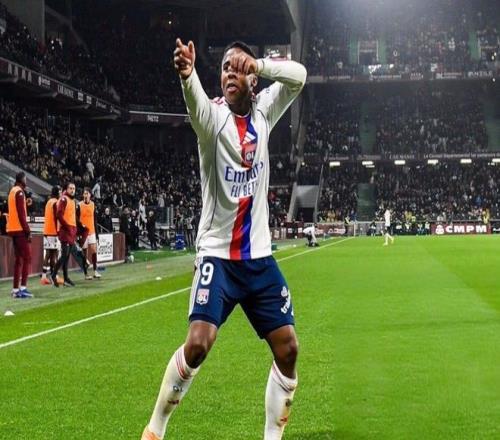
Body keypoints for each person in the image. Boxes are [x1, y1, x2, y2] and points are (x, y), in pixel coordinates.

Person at [142, 39, 306, 440]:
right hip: (217, 256)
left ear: (252, 78)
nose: (230, 73)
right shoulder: (213, 120)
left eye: (238, 67)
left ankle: (272, 437)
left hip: (259, 259)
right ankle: (155, 429)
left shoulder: (265, 110)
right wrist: (187, 75)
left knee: (288, 349)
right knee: (199, 344)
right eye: (225, 68)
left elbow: (299, 77)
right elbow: (195, 101)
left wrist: (259, 63)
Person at [6, 172, 33, 298]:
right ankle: (22, 288)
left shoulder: (12, 191)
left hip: (12, 228)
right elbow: (21, 215)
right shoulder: (20, 192)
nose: (26, 181)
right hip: (20, 230)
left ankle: (15, 289)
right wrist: (28, 231)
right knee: (27, 258)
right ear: (22, 179)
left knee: (18, 260)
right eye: (25, 179)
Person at [51, 182, 79, 287]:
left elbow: (72, 217)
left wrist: (75, 230)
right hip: (66, 231)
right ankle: (53, 275)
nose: (72, 190)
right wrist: (67, 226)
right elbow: (58, 214)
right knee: (64, 255)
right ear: (66, 189)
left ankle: (66, 278)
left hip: (71, 231)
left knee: (66, 256)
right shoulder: (64, 199)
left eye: (74, 188)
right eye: (70, 188)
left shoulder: (73, 201)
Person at [41, 185, 61, 285]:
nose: (61, 193)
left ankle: (45, 276)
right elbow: (57, 217)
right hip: (53, 231)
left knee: (49, 254)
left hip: (46, 231)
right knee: (53, 254)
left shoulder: (49, 202)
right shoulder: (56, 202)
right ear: (57, 192)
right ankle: (54, 276)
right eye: (60, 191)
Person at [79, 187, 101, 278]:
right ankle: (86, 274)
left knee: (94, 251)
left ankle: (95, 271)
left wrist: (97, 234)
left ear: (90, 195)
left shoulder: (93, 204)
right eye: (84, 193)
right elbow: (76, 220)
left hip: (92, 231)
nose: (85, 195)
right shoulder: (79, 205)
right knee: (84, 253)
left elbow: (95, 220)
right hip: (83, 233)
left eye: (87, 193)